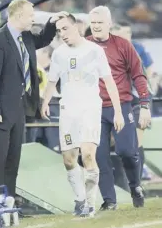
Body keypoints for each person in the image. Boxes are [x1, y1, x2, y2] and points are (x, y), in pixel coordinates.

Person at [0, 0, 68, 200]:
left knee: (13, 159)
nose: (33, 19)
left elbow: (44, 40)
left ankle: (9, 201)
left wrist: (52, 23)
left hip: (20, 109)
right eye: (31, 16)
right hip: (0, 112)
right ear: (19, 15)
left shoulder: (26, 36)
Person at [41, 14, 124, 217]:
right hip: (68, 111)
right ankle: (79, 200)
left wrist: (118, 111)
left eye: (66, 29)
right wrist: (44, 103)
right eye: (59, 31)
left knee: (87, 154)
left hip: (90, 108)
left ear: (77, 26)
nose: (63, 34)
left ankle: (90, 203)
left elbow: (109, 81)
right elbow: (52, 81)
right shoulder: (59, 53)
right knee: (69, 160)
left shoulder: (94, 51)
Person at [86, 6, 151, 210]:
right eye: (93, 23)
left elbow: (139, 75)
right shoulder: (84, 45)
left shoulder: (122, 45)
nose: (96, 27)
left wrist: (145, 104)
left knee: (127, 151)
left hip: (121, 105)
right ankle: (109, 200)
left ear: (109, 24)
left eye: (99, 23)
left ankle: (135, 186)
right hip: (93, 108)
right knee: (99, 155)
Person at [111, 21, 154, 180]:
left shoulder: (134, 50)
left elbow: (146, 72)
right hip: (120, 101)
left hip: (138, 100)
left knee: (136, 141)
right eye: (123, 34)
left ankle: (137, 179)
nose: (127, 37)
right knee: (122, 144)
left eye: (128, 33)